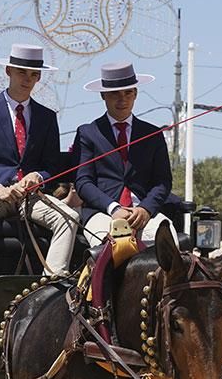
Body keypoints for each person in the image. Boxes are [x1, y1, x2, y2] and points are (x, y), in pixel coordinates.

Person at [0, 42, 76, 306]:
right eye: (22, 72)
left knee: (69, 217)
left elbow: (52, 166)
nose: (28, 79)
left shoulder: (47, 117)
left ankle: (51, 287)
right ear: (8, 71)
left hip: (31, 196)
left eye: (34, 74)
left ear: (39, 78)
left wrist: (38, 176)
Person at [74, 62, 173, 247]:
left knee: (168, 243)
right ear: (103, 95)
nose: (123, 100)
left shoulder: (153, 134)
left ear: (135, 94)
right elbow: (83, 182)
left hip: (144, 214)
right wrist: (113, 208)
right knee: (110, 249)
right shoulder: (88, 133)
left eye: (128, 93)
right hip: (102, 213)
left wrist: (145, 209)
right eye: (115, 94)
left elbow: (163, 182)